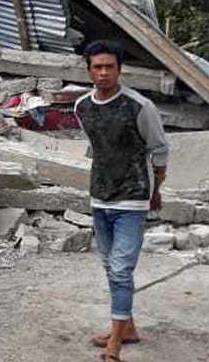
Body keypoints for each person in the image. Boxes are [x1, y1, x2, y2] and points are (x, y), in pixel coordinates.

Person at [74, 40, 169, 362]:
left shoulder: (140, 107)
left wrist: (155, 190)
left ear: (119, 69)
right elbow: (96, 148)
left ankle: (114, 344)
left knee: (120, 268)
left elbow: (159, 151)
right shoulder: (82, 107)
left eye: (109, 67)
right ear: (88, 70)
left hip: (132, 199)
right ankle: (126, 328)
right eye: (97, 67)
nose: (103, 73)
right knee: (109, 266)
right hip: (100, 197)